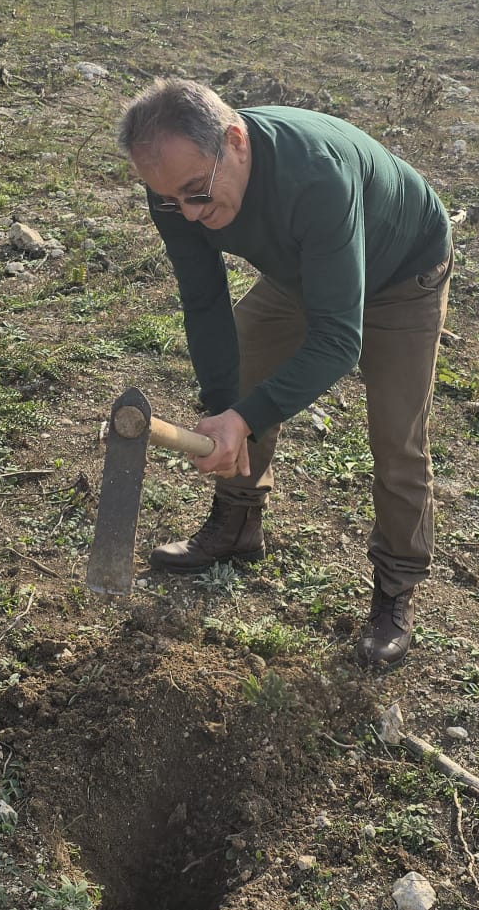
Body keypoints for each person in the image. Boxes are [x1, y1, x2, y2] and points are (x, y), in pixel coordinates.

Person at [117, 79, 453, 669]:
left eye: (198, 192)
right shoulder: (172, 185)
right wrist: (228, 409)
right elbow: (203, 300)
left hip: (403, 273)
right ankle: (237, 524)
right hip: (303, 269)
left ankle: (396, 589)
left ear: (236, 142)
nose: (190, 214)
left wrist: (245, 417)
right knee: (245, 376)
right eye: (172, 201)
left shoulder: (314, 176)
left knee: (397, 438)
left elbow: (338, 339)